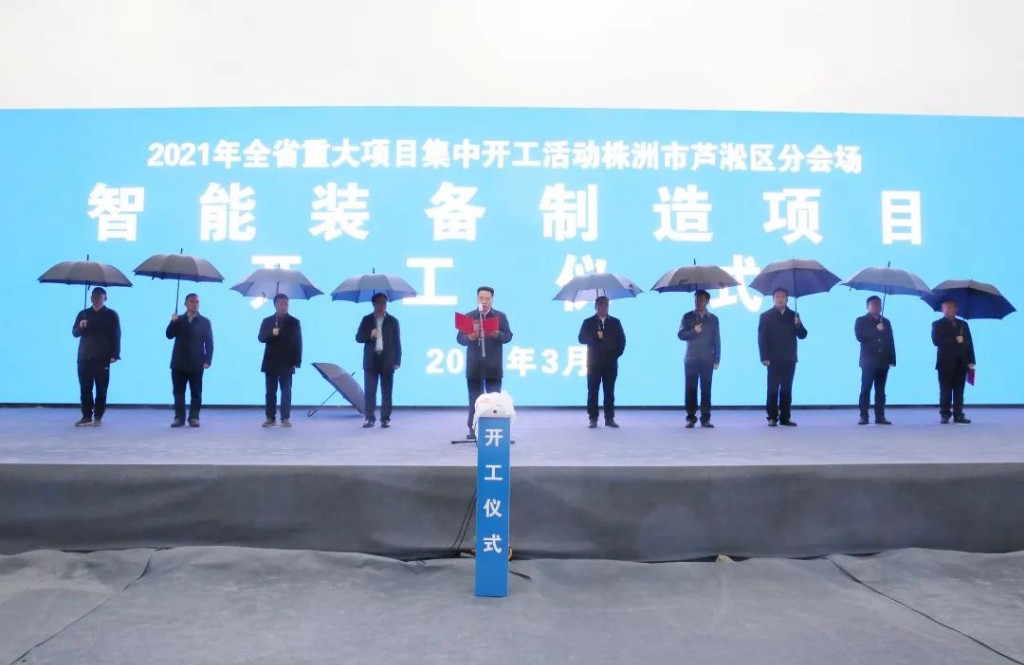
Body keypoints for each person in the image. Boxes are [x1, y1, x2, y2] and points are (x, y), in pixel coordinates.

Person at [456, 286, 513, 440]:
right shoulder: (469, 317)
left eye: (487, 299)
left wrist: (497, 334)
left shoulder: (500, 317)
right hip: (474, 365)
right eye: (481, 298)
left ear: (492, 300)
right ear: (477, 299)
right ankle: (473, 428)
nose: (484, 301)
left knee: (494, 400)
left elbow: (508, 336)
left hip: (493, 366)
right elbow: (460, 339)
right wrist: (469, 337)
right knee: (474, 398)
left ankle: (494, 428)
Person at [758, 288, 808, 426]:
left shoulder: (793, 315)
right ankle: (772, 417)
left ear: (787, 299)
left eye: (782, 297)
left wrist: (798, 325)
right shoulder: (766, 316)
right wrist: (764, 356)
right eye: (777, 297)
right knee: (773, 388)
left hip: (789, 357)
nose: (780, 299)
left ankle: (785, 417)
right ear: (773, 299)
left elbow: (803, 335)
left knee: (786, 389)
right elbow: (761, 338)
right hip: (772, 358)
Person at [71, 287, 120, 426]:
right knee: (85, 388)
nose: (97, 298)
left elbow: (116, 335)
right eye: (95, 296)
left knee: (101, 389)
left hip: (102, 357)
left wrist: (115, 354)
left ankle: (98, 416)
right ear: (91, 298)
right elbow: (74, 333)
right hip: (84, 357)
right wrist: (80, 327)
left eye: (100, 296)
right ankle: (86, 416)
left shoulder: (111, 315)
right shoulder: (83, 314)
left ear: (105, 298)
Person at [165, 293, 213, 428]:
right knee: (178, 392)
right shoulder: (178, 320)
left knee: (196, 392)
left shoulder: (204, 321)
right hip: (179, 362)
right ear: (185, 304)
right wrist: (172, 321)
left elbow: (209, 342)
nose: (195, 304)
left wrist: (208, 360)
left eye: (197, 302)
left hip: (196, 362)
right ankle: (179, 418)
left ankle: (194, 418)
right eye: (192, 302)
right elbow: (169, 335)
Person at [577, 296, 626, 428]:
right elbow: (581, 339)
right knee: (593, 391)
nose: (604, 308)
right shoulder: (588, 322)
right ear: (596, 307)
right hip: (594, 363)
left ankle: (609, 418)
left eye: (606, 305)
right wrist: (594, 335)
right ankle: (593, 418)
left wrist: (615, 355)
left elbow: (622, 340)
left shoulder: (615, 322)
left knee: (609, 391)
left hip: (610, 363)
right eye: (601, 305)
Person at [355, 293, 401, 428]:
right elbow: (358, 338)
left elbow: (397, 342)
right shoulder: (367, 320)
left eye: (384, 302)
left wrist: (397, 360)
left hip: (387, 360)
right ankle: (369, 418)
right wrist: (370, 335)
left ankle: (385, 418)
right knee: (370, 392)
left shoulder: (393, 321)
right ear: (373, 304)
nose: (382, 305)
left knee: (387, 392)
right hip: (371, 360)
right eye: (379, 302)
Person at [677, 289, 721, 428]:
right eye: (696, 300)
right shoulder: (687, 317)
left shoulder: (713, 319)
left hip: (707, 359)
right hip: (691, 358)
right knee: (691, 389)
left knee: (706, 389)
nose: (698, 302)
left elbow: (717, 340)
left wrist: (717, 358)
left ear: (707, 301)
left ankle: (705, 418)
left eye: (701, 300)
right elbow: (681, 335)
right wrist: (693, 331)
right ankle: (691, 418)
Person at [259, 294, 302, 428]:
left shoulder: (294, 322)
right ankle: (270, 417)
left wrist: (297, 360)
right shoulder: (267, 321)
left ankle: (285, 418)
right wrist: (272, 333)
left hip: (287, 361)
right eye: (282, 304)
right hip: (271, 361)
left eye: (286, 304)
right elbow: (261, 338)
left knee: (286, 390)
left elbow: (298, 342)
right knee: (270, 391)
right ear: (275, 305)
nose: (284, 306)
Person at [931, 299, 975, 424]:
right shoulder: (937, 324)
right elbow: (936, 340)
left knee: (959, 391)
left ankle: (958, 414)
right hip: (945, 363)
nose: (950, 309)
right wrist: (955, 340)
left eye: (953, 307)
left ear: (957, 310)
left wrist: (971, 360)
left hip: (961, 362)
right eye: (948, 307)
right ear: (942, 309)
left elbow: (969, 343)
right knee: (945, 390)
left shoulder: (963, 324)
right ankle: (945, 414)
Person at [854, 295, 896, 425]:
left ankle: (880, 416)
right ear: (868, 306)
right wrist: (875, 330)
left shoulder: (886, 322)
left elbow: (890, 340)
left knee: (881, 390)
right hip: (868, 361)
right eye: (874, 304)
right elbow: (860, 336)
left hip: (883, 360)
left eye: (878, 304)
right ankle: (864, 416)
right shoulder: (861, 320)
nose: (877, 306)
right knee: (866, 389)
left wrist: (892, 358)